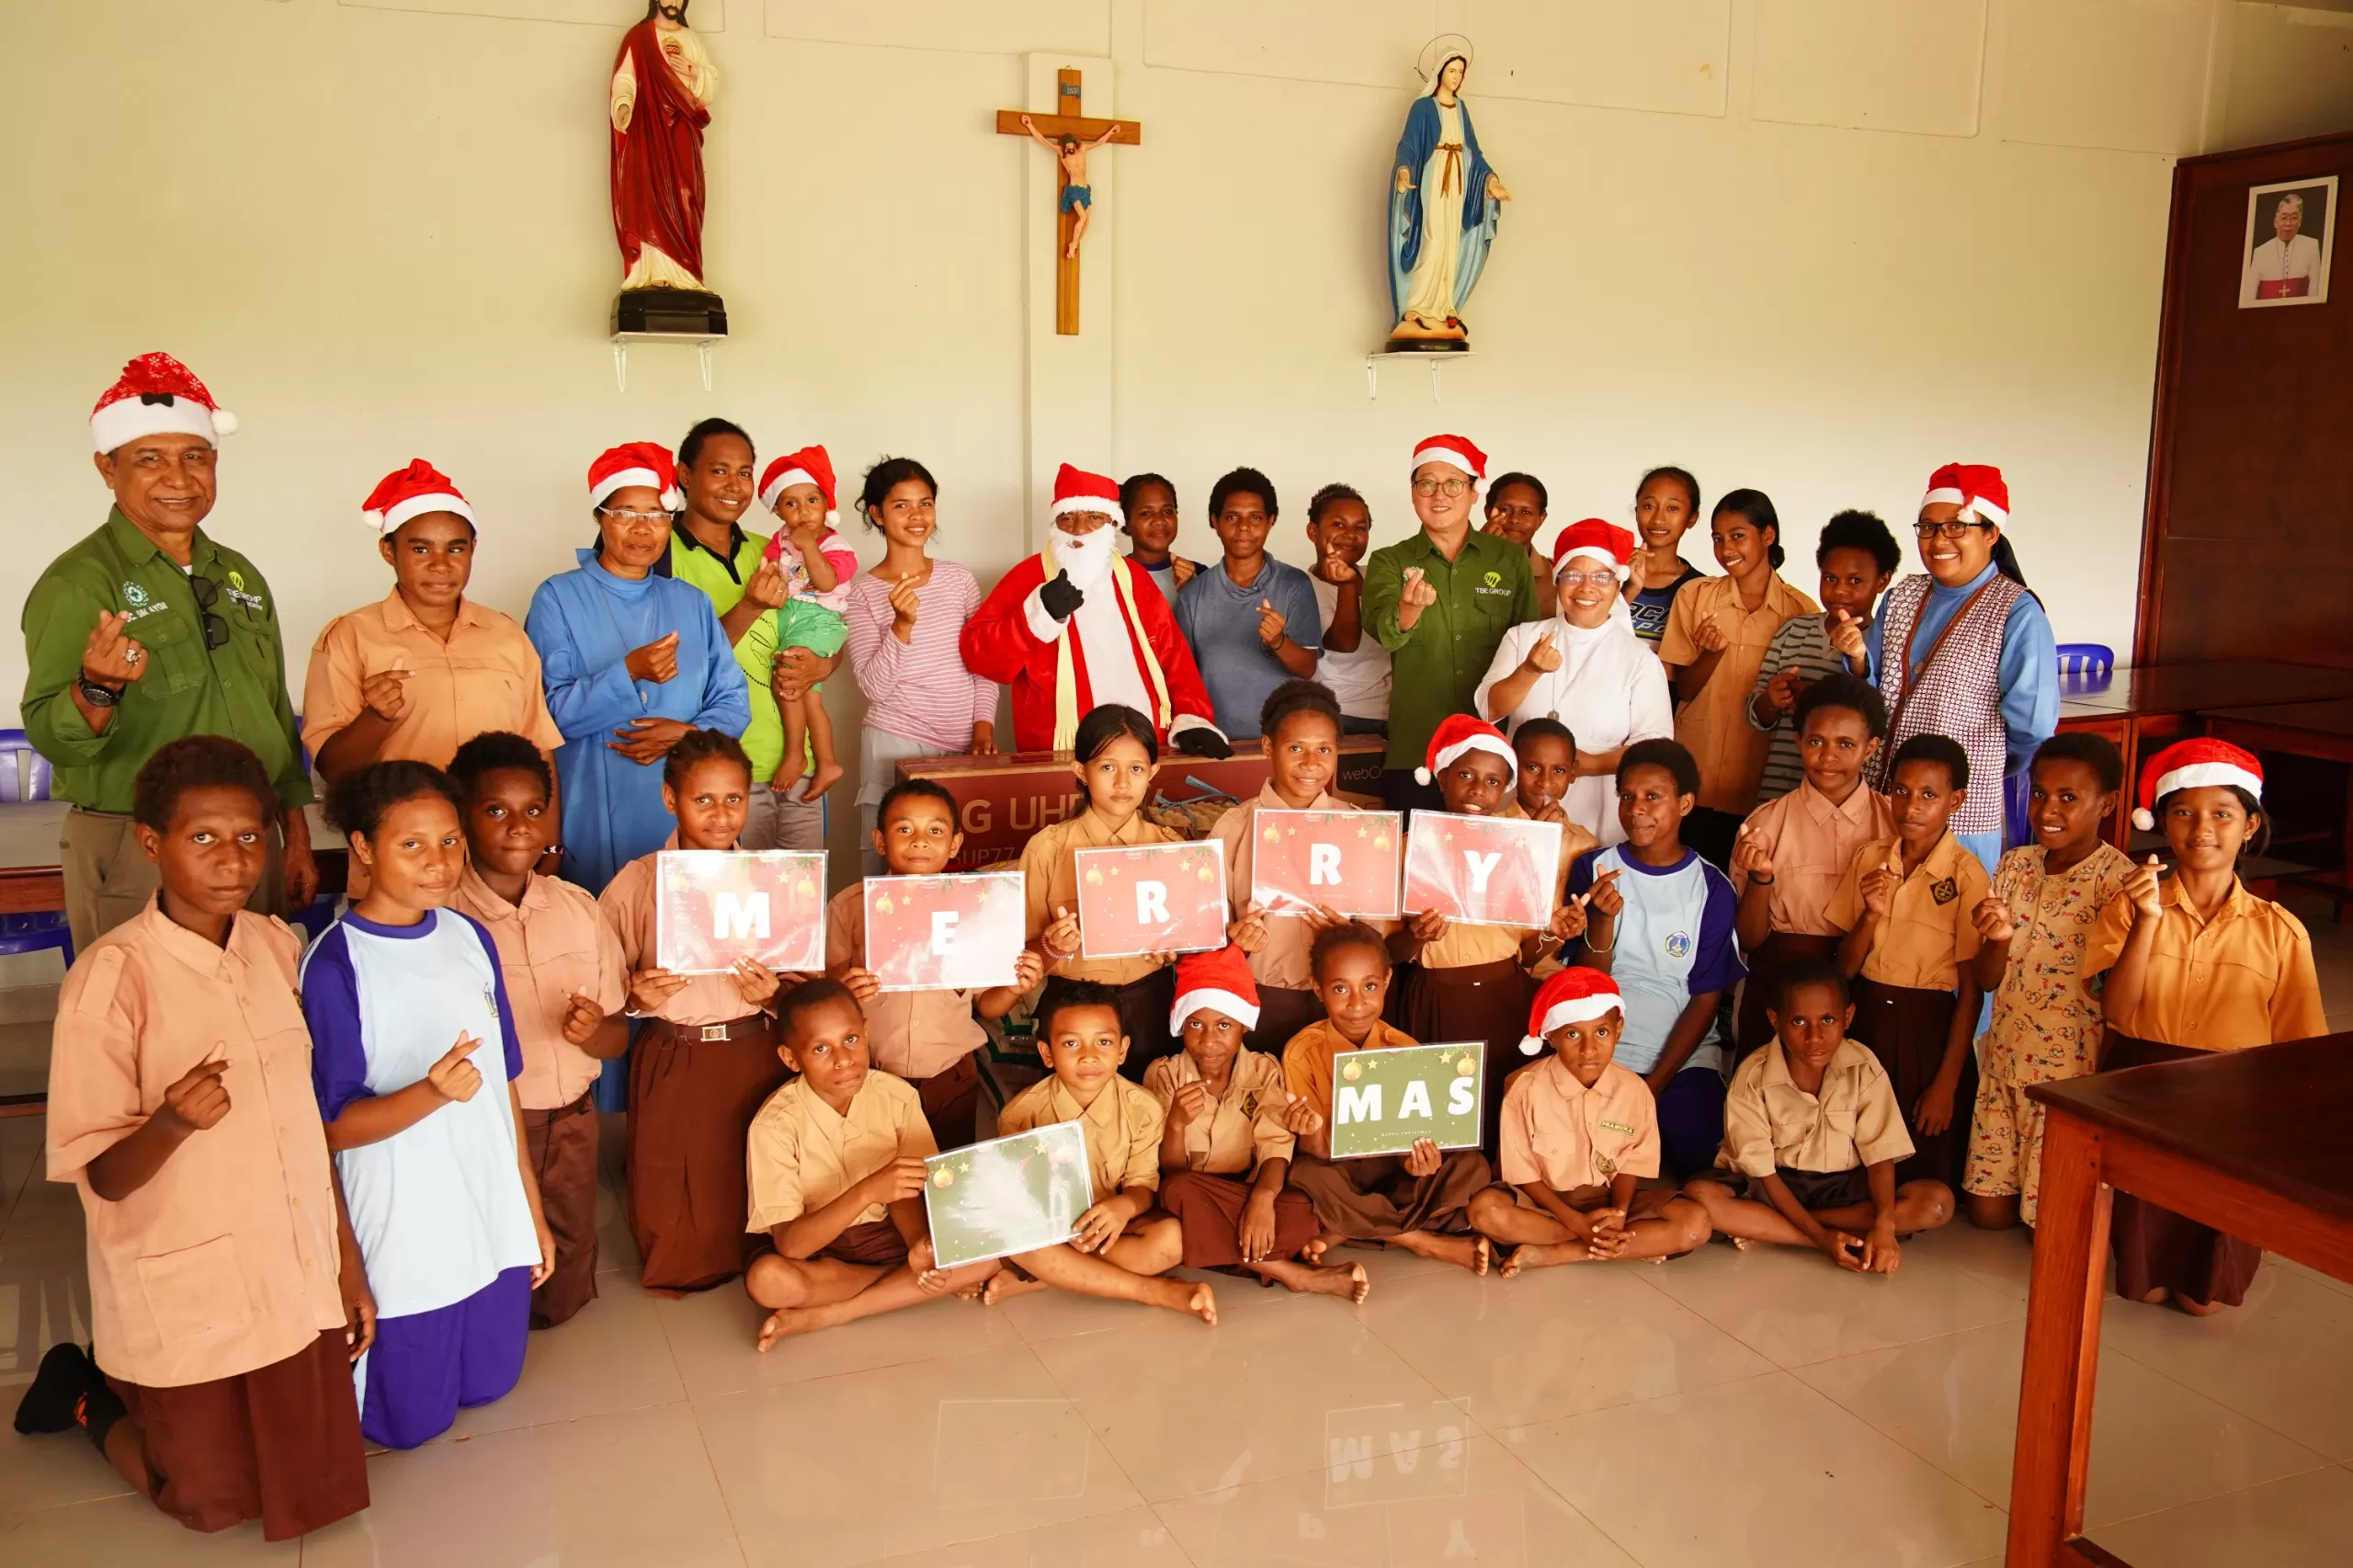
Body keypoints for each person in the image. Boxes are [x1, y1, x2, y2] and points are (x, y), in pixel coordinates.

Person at [13, 737, 370, 1541]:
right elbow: (100, 1176)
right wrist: (170, 1122)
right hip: (187, 1268)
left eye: (251, 837)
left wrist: (346, 1262)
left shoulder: (275, 948)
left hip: (287, 1259)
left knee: (310, 1478)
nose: (233, 860)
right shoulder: (111, 979)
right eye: (202, 837)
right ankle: (80, 1393)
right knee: (204, 1501)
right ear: (152, 843)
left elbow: (306, 1133)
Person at [24, 353, 318, 950]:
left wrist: (294, 831)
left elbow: (270, 709)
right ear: (107, 468)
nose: (179, 479)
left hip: (250, 837)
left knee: (257, 1002)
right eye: (149, 459)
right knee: (150, 1021)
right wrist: (97, 688)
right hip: (139, 843)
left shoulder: (238, 575)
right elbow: (53, 738)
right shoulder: (79, 584)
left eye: (195, 457)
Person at [302, 760, 553, 1450]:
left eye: (449, 841)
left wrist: (529, 1212)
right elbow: (332, 1127)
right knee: (408, 1426)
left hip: (488, 1209)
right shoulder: (335, 966)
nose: (438, 863)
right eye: (411, 845)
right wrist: (430, 1094)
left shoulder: (468, 937)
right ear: (362, 848)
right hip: (404, 1227)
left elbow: (503, 1086)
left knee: (493, 1384)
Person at [2092, 740, 2325, 1313]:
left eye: (2222, 814)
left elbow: (2301, 1051)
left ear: (2250, 827)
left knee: (2204, 1298)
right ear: (2163, 824)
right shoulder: (2130, 906)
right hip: (2142, 1082)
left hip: (2234, 1099)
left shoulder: (2281, 930)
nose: (2202, 829)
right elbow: (2118, 1012)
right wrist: (2147, 922)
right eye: (2184, 812)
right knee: (2145, 1285)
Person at [597, 729, 791, 1290]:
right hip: (675, 1052)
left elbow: (803, 987)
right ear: (670, 799)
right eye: (701, 800)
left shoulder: (772, 882)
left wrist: (772, 995)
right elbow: (604, 988)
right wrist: (637, 998)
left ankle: (764, 1261)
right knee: (674, 1181)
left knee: (752, 1169)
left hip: (755, 1047)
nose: (720, 815)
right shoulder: (638, 883)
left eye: (734, 798)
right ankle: (685, 1263)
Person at [447, 732, 630, 1327]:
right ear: (462, 818)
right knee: (487, 1249)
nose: (518, 826)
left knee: (568, 1251)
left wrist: (591, 1031)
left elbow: (617, 1036)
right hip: (483, 1126)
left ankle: (556, 1320)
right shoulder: (439, 919)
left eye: (532, 810)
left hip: (571, 1117)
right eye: (495, 810)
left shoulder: (578, 907)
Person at [527, 443, 751, 892]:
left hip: (684, 801)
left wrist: (685, 734)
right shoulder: (557, 597)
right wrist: (627, 671)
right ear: (600, 518)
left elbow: (733, 702)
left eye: (656, 515)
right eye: (626, 513)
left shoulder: (690, 601)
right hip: (591, 798)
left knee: (681, 928)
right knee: (602, 928)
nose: (643, 529)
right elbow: (548, 714)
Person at [742, 980, 999, 1349]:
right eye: (820, 1049)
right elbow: (792, 1247)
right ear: (790, 1058)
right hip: (823, 1249)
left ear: (866, 1031)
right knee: (767, 1279)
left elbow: (908, 1192)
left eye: (850, 1040)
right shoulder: (775, 1124)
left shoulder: (896, 1095)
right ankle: (905, 1286)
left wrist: (916, 1246)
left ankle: (836, 1311)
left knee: (993, 1246)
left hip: (893, 1235)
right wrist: (867, 1191)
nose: (843, 1059)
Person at [1961, 733, 2133, 1232]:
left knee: (2052, 1228)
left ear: (2108, 804)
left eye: (2068, 798)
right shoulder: (2015, 865)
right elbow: (1988, 978)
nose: (2047, 810)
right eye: (2039, 793)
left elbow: (2121, 998)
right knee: (1988, 1216)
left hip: (2068, 1077)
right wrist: (1996, 938)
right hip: (2005, 1060)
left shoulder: (2116, 883)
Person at [306, 460, 564, 788]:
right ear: (388, 550)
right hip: (406, 834)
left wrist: (550, 843)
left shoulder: (506, 635)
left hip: (499, 835)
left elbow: (540, 758)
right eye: (420, 549)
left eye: (455, 548)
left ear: (473, 548)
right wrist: (375, 718)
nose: (440, 565)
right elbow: (333, 768)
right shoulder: (351, 636)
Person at [1683, 959, 1953, 1268]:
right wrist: (1821, 1240)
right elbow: (1764, 1174)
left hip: (1842, 1189)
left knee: (1937, 1203)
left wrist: (1883, 1224)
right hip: (1772, 1187)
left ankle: (1772, 1228)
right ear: (1775, 1020)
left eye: (1828, 1020)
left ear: (1848, 1017)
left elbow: (1880, 1156)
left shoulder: (1864, 1066)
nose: (1815, 1037)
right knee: (1701, 1195)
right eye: (1798, 1022)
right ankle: (1822, 1236)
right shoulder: (1752, 1075)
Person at [1391, 715, 1584, 1144]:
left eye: (1493, 782)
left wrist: (1555, 933)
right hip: (1433, 998)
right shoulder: (1409, 845)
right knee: (1436, 1121)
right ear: (1441, 778)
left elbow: (1526, 954)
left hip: (1503, 999)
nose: (1479, 790)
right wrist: (1417, 936)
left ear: (1504, 789)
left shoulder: (1518, 849)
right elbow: (1387, 953)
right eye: (1465, 775)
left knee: (1499, 1117)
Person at [1562, 739, 1745, 1179]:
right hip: (1601, 1051)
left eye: (1652, 797)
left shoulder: (1712, 887)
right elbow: (1585, 984)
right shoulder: (1594, 867)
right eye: (1627, 796)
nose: (1636, 809)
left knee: (1693, 1147)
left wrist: (1653, 1086)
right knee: (1573, 1149)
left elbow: (1705, 999)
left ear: (1685, 804)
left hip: (1679, 1060)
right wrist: (1601, 922)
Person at [829, 778, 1045, 1150]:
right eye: (904, 829)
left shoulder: (975, 910)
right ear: (880, 840)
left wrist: (1014, 987)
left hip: (951, 1078)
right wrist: (841, 993)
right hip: (869, 1076)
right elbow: (821, 989)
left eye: (935, 830)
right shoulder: (850, 907)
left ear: (955, 843)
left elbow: (987, 1004)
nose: (919, 840)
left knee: (944, 1179)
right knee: (875, 1175)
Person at [1143, 947, 1369, 1301]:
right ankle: (1289, 1272)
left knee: (1303, 1214)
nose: (1209, 1040)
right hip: (1193, 1193)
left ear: (1244, 1026)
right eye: (1195, 1025)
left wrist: (1262, 1199)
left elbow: (1274, 1147)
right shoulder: (1164, 1075)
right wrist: (1175, 1124)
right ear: (1181, 1026)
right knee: (1175, 1194)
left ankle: (1217, 1246)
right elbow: (1170, 1172)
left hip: (1245, 1191)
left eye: (1223, 1025)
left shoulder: (1264, 1071)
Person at [987, 983, 1218, 1323]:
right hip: (1049, 1234)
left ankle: (1045, 1279)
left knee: (1174, 1240)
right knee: (1018, 1244)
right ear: (1047, 1053)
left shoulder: (1144, 1109)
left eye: (1104, 1042)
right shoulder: (1021, 1115)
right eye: (1070, 1043)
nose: (1089, 1056)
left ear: (1122, 1049)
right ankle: (1154, 1291)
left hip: (1111, 1231)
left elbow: (1143, 1186)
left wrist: (1123, 1206)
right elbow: (1019, 1204)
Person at [1869, 463, 2057, 878]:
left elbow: (2033, 726)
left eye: (1957, 527)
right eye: (1929, 528)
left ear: (1991, 534)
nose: (1939, 541)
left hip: (1962, 810)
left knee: (1951, 926)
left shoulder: (2017, 612)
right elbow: (1871, 681)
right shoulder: (1903, 595)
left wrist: (1984, 763)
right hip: (1884, 798)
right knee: (1876, 917)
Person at [961, 463, 1228, 756]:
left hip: (1143, 745)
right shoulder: (1029, 576)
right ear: (1055, 524)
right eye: (1067, 518)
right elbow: (980, 657)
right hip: (1061, 750)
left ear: (1112, 523)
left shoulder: (1135, 578)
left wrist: (1192, 720)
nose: (1078, 529)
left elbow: (1174, 657)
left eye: (1093, 517)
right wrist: (1037, 615)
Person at [663, 418, 837, 852]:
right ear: (685, 475)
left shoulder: (776, 548)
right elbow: (674, 666)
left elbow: (821, 624)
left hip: (798, 765)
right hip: (717, 776)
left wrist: (825, 664)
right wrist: (749, 608)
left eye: (745, 472)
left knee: (800, 910)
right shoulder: (660, 552)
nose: (735, 485)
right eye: (719, 470)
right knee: (733, 909)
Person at [1281, 922, 1495, 1272]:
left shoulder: (1402, 1047)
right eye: (1340, 988)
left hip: (1391, 1173)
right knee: (1304, 1176)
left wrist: (1418, 1162)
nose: (1357, 1004)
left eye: (1369, 986)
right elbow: (1315, 1151)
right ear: (1317, 989)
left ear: (1387, 983)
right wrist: (1306, 1130)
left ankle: (1344, 1228)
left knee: (1473, 1168)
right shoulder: (1302, 1051)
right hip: (1339, 1173)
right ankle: (1418, 1239)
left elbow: (1409, 1143)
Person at [1469, 966, 1711, 1270]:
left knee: (1694, 1223)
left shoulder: (1635, 1090)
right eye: (1573, 1034)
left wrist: (1620, 1213)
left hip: (1607, 1202)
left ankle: (1558, 1252)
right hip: (1546, 1206)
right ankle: (1617, 1245)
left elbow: (1631, 1164)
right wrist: (1575, 1221)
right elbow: (1522, 1174)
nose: (1589, 1049)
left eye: (1601, 1032)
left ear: (1618, 1029)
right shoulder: (1524, 1088)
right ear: (1552, 1037)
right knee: (1484, 1212)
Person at [1827, 733, 1988, 1192]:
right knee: (1854, 1154)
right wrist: (1871, 914)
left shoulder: (1965, 875)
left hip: (1927, 1031)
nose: (1910, 806)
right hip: (1867, 1020)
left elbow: (1972, 992)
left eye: (1929, 795)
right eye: (1901, 791)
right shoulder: (1870, 859)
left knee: (1919, 1166)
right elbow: (1843, 969)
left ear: (1955, 801)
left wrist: (1946, 1085)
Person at [840, 457, 1000, 873]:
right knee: (888, 860)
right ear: (876, 513)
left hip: (962, 745)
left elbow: (983, 662)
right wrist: (902, 625)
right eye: (901, 505)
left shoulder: (959, 580)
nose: (917, 516)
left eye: (925, 503)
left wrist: (982, 728)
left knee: (958, 862)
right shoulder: (862, 594)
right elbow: (873, 687)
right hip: (896, 738)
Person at [1361, 434, 1537, 812]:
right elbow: (1382, 632)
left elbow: (1528, 647)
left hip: (1493, 756)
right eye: (1426, 483)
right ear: (1412, 492)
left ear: (1475, 493)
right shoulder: (1389, 560)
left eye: (1453, 483)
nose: (1438, 495)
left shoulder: (1509, 560)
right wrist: (1408, 610)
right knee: (1412, 863)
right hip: (1417, 750)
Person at [1475, 518, 1674, 846]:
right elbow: (1487, 709)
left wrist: (1582, 765)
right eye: (1573, 575)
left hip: (1599, 811)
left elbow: (1655, 751)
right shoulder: (1523, 637)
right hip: (1518, 809)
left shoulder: (1639, 659)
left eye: (1601, 577)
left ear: (1616, 584)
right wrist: (1530, 670)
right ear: (1557, 580)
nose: (1586, 588)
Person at [1728, 674, 1895, 1059]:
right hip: (1780, 989)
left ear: (1870, 748)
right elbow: (1748, 941)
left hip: (1867, 988)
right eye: (1816, 741)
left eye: (1846, 744)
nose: (1828, 756)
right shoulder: (1764, 825)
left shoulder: (1893, 824)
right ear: (1798, 741)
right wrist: (1761, 878)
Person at [1024, 704, 1188, 1079]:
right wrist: (1052, 945)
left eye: (1136, 769)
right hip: (1072, 1010)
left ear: (1153, 773)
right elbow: (1023, 953)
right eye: (1107, 767)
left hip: (1152, 1004)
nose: (1122, 783)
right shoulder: (1047, 849)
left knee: (1151, 1113)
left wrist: (1179, 951)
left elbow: (1189, 941)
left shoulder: (1170, 848)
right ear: (1080, 771)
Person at [1657, 488, 1818, 868]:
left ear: (1767, 535)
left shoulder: (1801, 613)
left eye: (1737, 535)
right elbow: (1684, 691)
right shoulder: (1695, 596)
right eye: (1717, 538)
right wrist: (1711, 654)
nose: (1726, 547)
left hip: (1760, 790)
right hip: (1690, 781)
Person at [1215, 680, 1374, 1052]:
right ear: (1269, 747)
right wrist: (1233, 941)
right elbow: (1207, 932)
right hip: (1258, 999)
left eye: (1324, 749)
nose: (1311, 763)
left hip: (1341, 1007)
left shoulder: (1359, 828)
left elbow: (1379, 938)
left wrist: (1351, 937)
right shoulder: (1235, 828)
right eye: (1296, 748)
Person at [1744, 509, 1900, 802]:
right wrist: (1771, 700)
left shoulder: (1889, 642)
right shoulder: (1793, 631)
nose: (1839, 590)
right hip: (1778, 793)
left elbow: (1882, 715)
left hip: (1839, 802)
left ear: (1882, 581)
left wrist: (1816, 698)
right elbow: (1755, 711)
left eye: (1855, 581)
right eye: (1830, 578)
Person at [1173, 468, 1322, 742]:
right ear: (1214, 521)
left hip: (1283, 742)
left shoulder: (1294, 584)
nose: (1244, 528)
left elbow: (1307, 667)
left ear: (1270, 521)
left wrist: (1278, 641)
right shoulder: (1192, 595)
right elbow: (1182, 681)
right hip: (1216, 742)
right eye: (1232, 517)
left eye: (1255, 517)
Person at [745, 445, 856, 803]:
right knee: (809, 699)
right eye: (791, 504)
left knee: (788, 684)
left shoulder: (836, 545)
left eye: (812, 500)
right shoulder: (779, 540)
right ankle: (827, 762)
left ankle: (796, 753)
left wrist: (810, 547)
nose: (803, 511)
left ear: (827, 504)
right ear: (778, 510)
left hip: (821, 621)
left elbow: (825, 582)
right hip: (790, 619)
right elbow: (770, 569)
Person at [1386, 48, 1509, 346]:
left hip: (1457, 181)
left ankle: (1441, 308)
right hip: (1434, 176)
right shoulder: (1423, 108)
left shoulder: (1462, 110)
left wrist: (1490, 181)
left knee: (1450, 243)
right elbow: (1409, 147)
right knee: (1433, 237)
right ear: (1441, 71)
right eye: (1452, 70)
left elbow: (1473, 153)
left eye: (1460, 72)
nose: (1456, 77)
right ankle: (1416, 306)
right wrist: (1404, 172)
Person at [1302, 483, 1390, 736]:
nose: (1350, 535)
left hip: (1390, 714)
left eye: (1360, 528)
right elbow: (1343, 641)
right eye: (1338, 524)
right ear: (1313, 532)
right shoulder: (1300, 586)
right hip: (1338, 715)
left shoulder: (1380, 576)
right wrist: (1347, 584)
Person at [1506, 717, 1597, 910]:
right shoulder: (1490, 829)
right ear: (1513, 766)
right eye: (1532, 768)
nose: (1545, 782)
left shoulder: (1585, 845)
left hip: (1558, 940)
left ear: (1572, 773)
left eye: (1558, 770)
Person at [1623, 465, 1707, 648]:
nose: (1658, 519)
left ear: (1692, 518)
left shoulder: (1699, 588)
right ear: (1637, 511)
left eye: (1673, 508)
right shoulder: (1607, 571)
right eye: (1649, 506)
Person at [1018, 113, 1120, 258]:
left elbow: (1099, 142)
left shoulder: (1083, 149)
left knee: (1087, 222)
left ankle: (1075, 244)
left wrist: (1111, 132)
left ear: (1074, 144)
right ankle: (1072, 245)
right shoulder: (1062, 153)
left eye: (1071, 145)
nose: (1069, 148)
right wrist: (1029, 125)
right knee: (1083, 218)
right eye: (1066, 146)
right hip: (1074, 191)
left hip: (1085, 190)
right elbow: (1043, 140)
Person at [1482, 471, 1555, 618]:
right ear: (1488, 512)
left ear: (1541, 519)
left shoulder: (1555, 577)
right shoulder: (1459, 564)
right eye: (1505, 510)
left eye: (1526, 512)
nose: (1515, 519)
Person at [1120, 472, 1201, 604]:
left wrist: (1194, 589)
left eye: (1168, 511)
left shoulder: (1199, 574)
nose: (1159, 521)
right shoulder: (1112, 576)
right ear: (1126, 522)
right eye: (1146, 513)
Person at [2241, 189, 2324, 303]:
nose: (2288, 223)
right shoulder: (2260, 252)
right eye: (2283, 218)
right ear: (2275, 222)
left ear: (2300, 222)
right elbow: (2249, 298)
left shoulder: (2311, 246)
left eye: (2294, 218)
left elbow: (2316, 293)